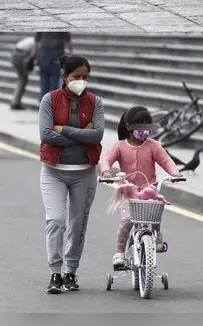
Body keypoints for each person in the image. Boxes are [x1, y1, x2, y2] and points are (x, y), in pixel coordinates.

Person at [38, 55, 103, 294]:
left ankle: (70, 272)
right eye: (76, 77)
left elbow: (96, 136)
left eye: (85, 77)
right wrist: (80, 134)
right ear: (65, 77)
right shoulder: (50, 100)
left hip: (84, 173)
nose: (81, 81)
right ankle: (55, 272)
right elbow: (46, 135)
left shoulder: (96, 102)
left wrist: (62, 130)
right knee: (55, 221)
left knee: (77, 226)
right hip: (53, 171)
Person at [100, 106, 182, 270]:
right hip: (129, 192)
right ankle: (119, 253)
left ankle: (157, 237)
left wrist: (175, 173)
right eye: (140, 128)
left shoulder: (154, 146)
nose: (144, 132)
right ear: (129, 128)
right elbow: (106, 160)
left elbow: (166, 161)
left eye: (147, 128)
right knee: (127, 221)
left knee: (155, 215)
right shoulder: (120, 146)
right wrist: (107, 172)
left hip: (149, 190)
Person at [33, 32, 73, 97]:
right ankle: (50, 102)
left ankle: (45, 102)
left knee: (45, 83)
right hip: (53, 57)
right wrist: (71, 54)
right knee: (53, 83)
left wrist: (34, 56)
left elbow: (36, 42)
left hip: (46, 57)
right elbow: (68, 40)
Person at [9, 35, 34, 110]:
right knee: (23, 79)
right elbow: (34, 54)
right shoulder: (37, 42)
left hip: (15, 54)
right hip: (20, 55)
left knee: (23, 79)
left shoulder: (31, 39)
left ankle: (16, 102)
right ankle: (15, 103)